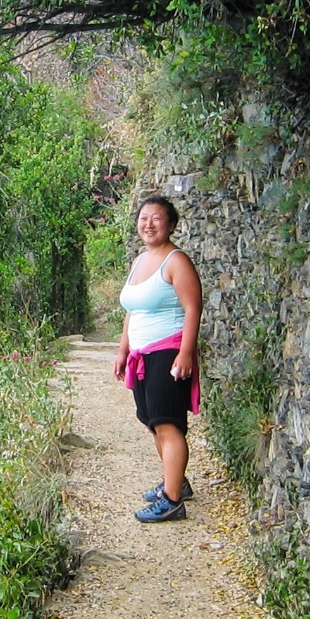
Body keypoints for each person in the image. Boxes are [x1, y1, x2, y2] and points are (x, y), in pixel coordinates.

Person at [113, 194, 201, 523]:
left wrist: (185, 354)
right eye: (143, 218)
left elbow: (193, 309)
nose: (148, 224)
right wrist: (123, 350)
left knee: (168, 424)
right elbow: (132, 311)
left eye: (157, 218)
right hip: (142, 354)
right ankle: (175, 480)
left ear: (172, 225)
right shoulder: (140, 261)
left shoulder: (176, 261)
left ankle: (173, 500)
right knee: (152, 422)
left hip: (168, 351)